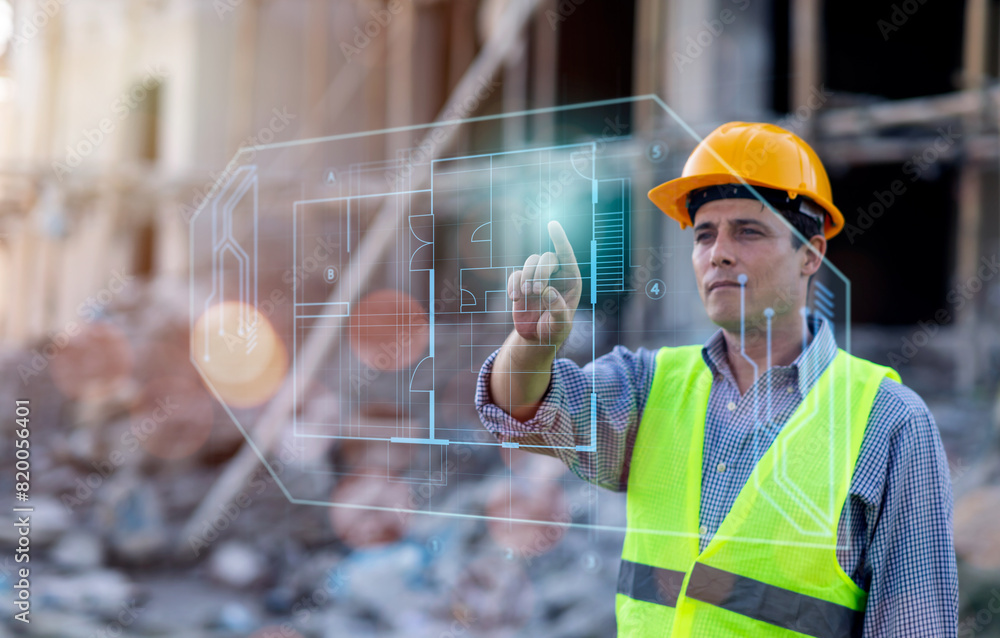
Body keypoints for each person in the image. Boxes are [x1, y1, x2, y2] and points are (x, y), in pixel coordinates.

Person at [474, 122, 957, 637]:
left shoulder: (888, 421)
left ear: (811, 254)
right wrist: (533, 344)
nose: (718, 253)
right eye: (705, 234)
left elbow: (917, 623)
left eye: (748, 231)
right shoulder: (649, 385)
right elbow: (520, 413)